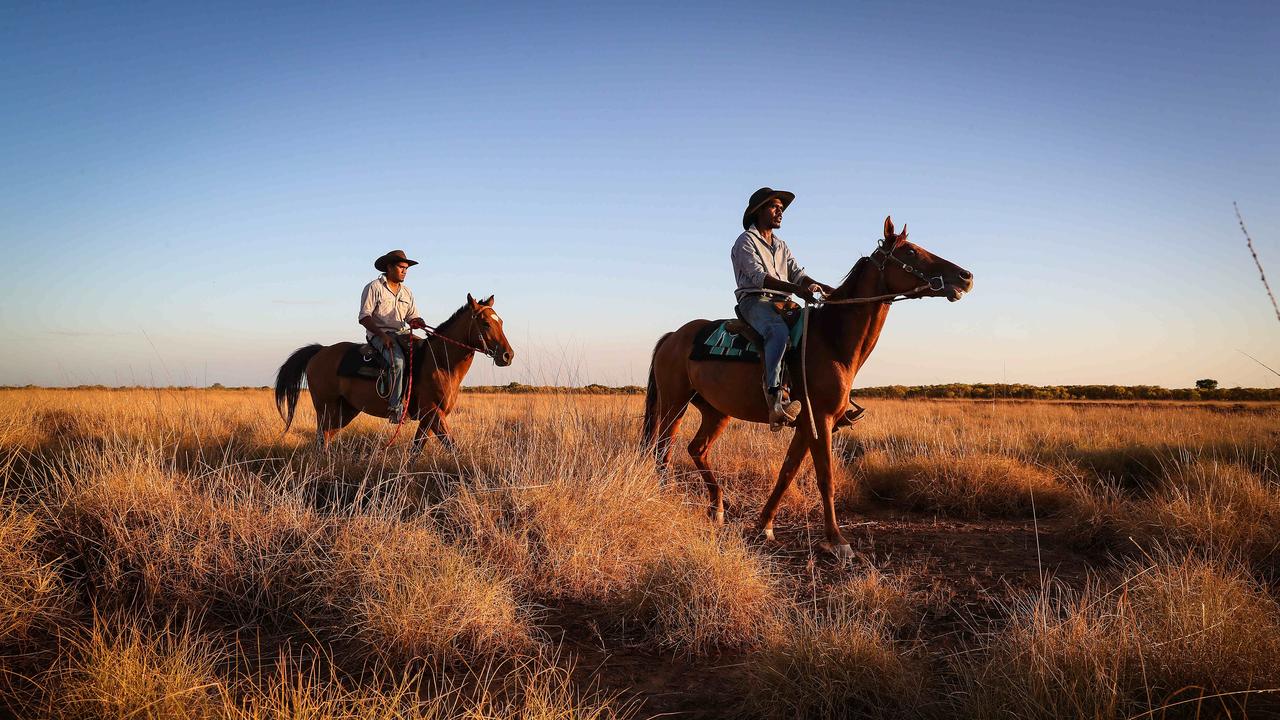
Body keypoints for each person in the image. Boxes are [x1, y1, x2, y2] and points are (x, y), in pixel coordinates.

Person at [730, 187, 835, 425]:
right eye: (774, 207)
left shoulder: (781, 245)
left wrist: (824, 287)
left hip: (783, 302)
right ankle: (775, 398)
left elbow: (798, 274)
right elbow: (757, 276)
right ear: (758, 211)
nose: (780, 212)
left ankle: (822, 397)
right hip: (755, 301)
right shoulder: (745, 241)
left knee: (816, 329)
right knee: (777, 331)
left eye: (781, 208)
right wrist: (796, 290)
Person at [359, 250, 428, 423]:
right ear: (389, 267)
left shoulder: (407, 292)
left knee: (427, 353)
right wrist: (382, 336)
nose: (405, 271)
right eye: (401, 267)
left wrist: (418, 321)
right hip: (379, 335)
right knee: (397, 362)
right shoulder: (374, 287)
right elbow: (364, 317)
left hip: (402, 334)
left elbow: (412, 316)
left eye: (406, 268)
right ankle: (395, 408)